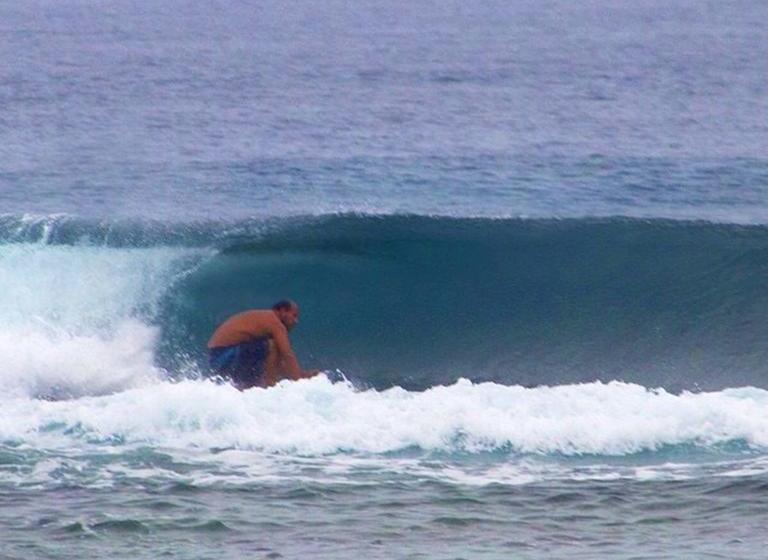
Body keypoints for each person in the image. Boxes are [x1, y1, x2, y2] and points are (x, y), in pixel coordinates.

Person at [207, 300, 319, 390]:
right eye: (294, 316)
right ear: (283, 311)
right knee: (273, 346)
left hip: (216, 358)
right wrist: (298, 381)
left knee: (268, 354)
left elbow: (279, 361)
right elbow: (287, 354)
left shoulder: (263, 319)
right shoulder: (274, 322)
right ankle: (270, 389)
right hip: (224, 355)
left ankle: (251, 389)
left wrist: (299, 374)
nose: (296, 321)